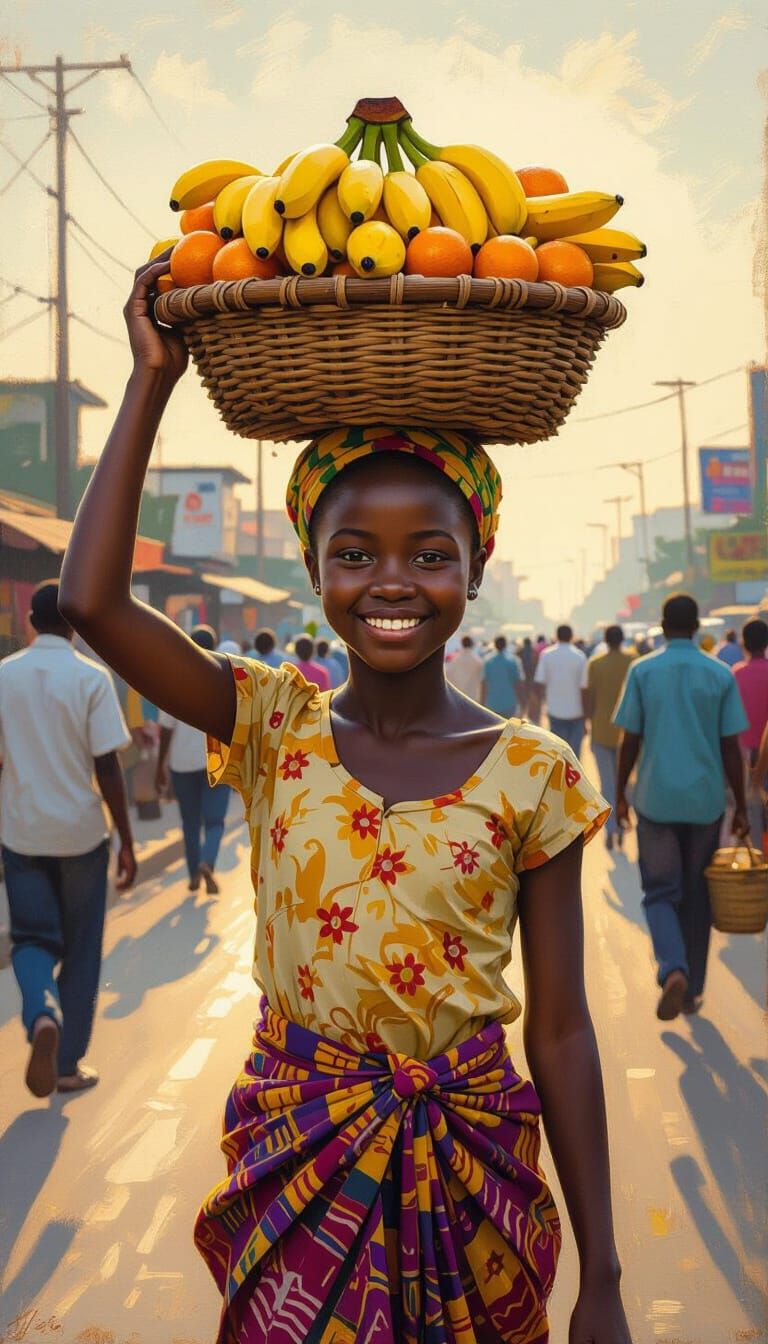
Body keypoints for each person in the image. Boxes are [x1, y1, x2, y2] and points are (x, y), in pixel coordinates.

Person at [57, 253, 633, 1344]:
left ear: (476, 566)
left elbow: (561, 1032)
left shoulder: (535, 771)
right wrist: (151, 379)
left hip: (475, 1169)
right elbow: (92, 602)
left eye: (431, 553)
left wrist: (602, 1274)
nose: (393, 583)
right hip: (299, 1150)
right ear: (314, 569)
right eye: (356, 554)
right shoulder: (269, 721)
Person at [0, 581, 136, 1098]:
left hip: (22, 832)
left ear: (31, 622)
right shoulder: (91, 678)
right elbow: (108, 764)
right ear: (73, 625)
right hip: (81, 835)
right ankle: (65, 1066)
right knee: (81, 949)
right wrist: (127, 840)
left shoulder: (4, 675)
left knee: (31, 938)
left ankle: (42, 1014)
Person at [614, 593, 749, 1021]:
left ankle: (673, 968)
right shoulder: (719, 674)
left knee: (659, 892)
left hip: (656, 800)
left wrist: (619, 794)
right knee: (696, 897)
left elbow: (630, 739)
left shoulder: (643, 671)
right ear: (696, 628)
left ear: (662, 626)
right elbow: (731, 746)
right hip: (705, 802)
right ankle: (690, 993)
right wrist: (741, 806)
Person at [155, 625, 231, 896]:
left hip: (182, 764)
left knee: (190, 823)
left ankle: (193, 876)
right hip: (216, 762)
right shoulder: (225, 681)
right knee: (214, 821)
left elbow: (166, 729)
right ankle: (207, 861)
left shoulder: (174, 680)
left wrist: (160, 765)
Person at [586, 625, 635, 851]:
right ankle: (622, 825)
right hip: (629, 732)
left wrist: (588, 722)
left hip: (602, 730)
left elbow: (590, 698)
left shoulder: (596, 664)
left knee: (607, 784)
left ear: (605, 640)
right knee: (626, 783)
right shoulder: (633, 663)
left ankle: (611, 829)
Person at [733, 618, 768, 848]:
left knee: (751, 815)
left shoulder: (736, 674)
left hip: (743, 756)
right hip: (764, 754)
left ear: (744, 643)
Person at [533, 624, 589, 757]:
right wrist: (586, 716)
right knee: (574, 757)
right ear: (572, 636)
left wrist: (540, 705)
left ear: (556, 636)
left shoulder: (546, 655)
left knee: (558, 755)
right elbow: (584, 688)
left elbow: (539, 683)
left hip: (555, 711)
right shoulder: (580, 656)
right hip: (576, 713)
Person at [483, 633, 521, 717]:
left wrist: (482, 702)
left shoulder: (488, 661)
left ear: (494, 644)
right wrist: (520, 701)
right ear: (506, 645)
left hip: (492, 703)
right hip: (509, 703)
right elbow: (517, 683)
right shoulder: (513, 660)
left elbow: (484, 683)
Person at [445, 632, 485, 701]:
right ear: (472, 644)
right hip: (472, 697)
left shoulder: (455, 661)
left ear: (462, 644)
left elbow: (448, 676)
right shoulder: (478, 661)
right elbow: (482, 679)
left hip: (458, 696)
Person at [519, 634, 539, 719]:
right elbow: (536, 663)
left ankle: (523, 713)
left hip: (523, 676)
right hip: (532, 675)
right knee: (531, 694)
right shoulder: (534, 651)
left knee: (524, 695)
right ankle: (531, 714)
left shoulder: (520, 651)